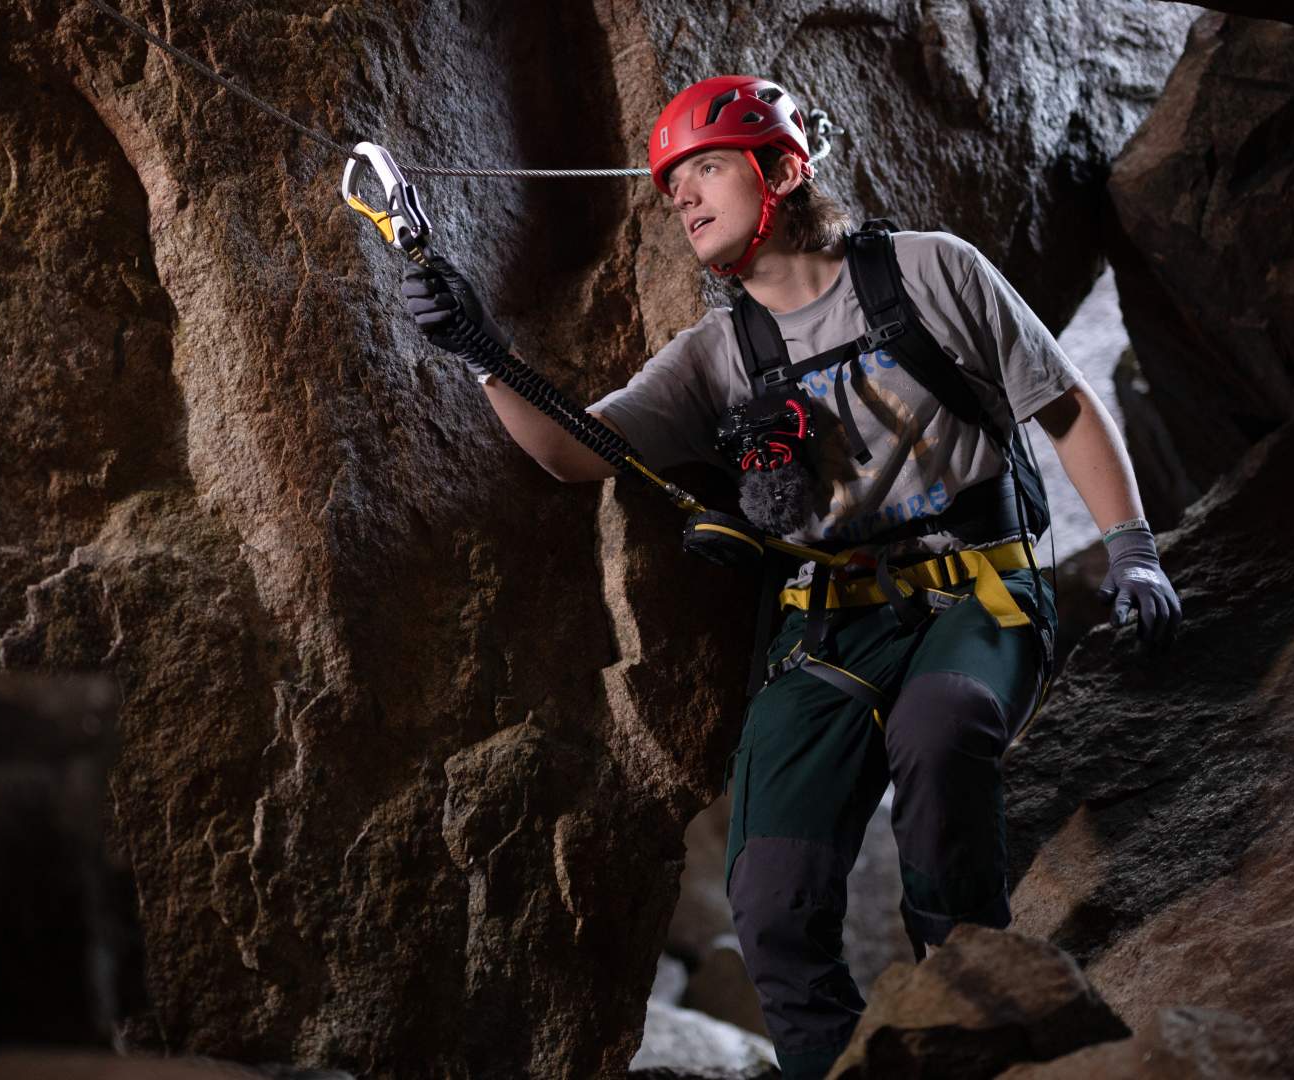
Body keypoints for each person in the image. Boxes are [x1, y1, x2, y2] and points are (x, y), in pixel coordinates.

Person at [401, 75, 1182, 1078]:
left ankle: (972, 1009)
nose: (682, 197)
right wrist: (479, 353)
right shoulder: (717, 358)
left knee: (940, 736)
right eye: (671, 183)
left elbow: (1064, 408)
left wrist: (1133, 551)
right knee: (771, 907)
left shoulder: (931, 273)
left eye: (707, 168)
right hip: (824, 633)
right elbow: (574, 452)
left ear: (783, 168)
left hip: (973, 594)